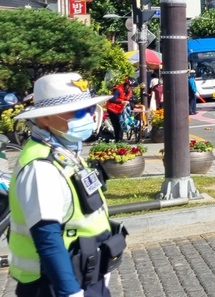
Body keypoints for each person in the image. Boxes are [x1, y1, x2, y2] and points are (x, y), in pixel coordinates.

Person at [9, 72, 127, 296]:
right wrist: (70, 291)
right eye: (80, 111)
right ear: (45, 118)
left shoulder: (64, 151)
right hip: (54, 284)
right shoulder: (41, 167)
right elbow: (47, 238)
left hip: (85, 277)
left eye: (91, 109)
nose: (90, 117)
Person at [107, 77, 136, 142]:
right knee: (117, 125)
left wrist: (131, 104)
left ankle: (120, 139)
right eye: (132, 87)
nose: (132, 89)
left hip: (120, 110)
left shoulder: (129, 92)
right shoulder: (118, 89)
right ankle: (118, 140)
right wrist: (122, 102)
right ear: (127, 85)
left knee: (122, 124)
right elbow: (112, 99)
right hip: (112, 109)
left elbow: (131, 99)